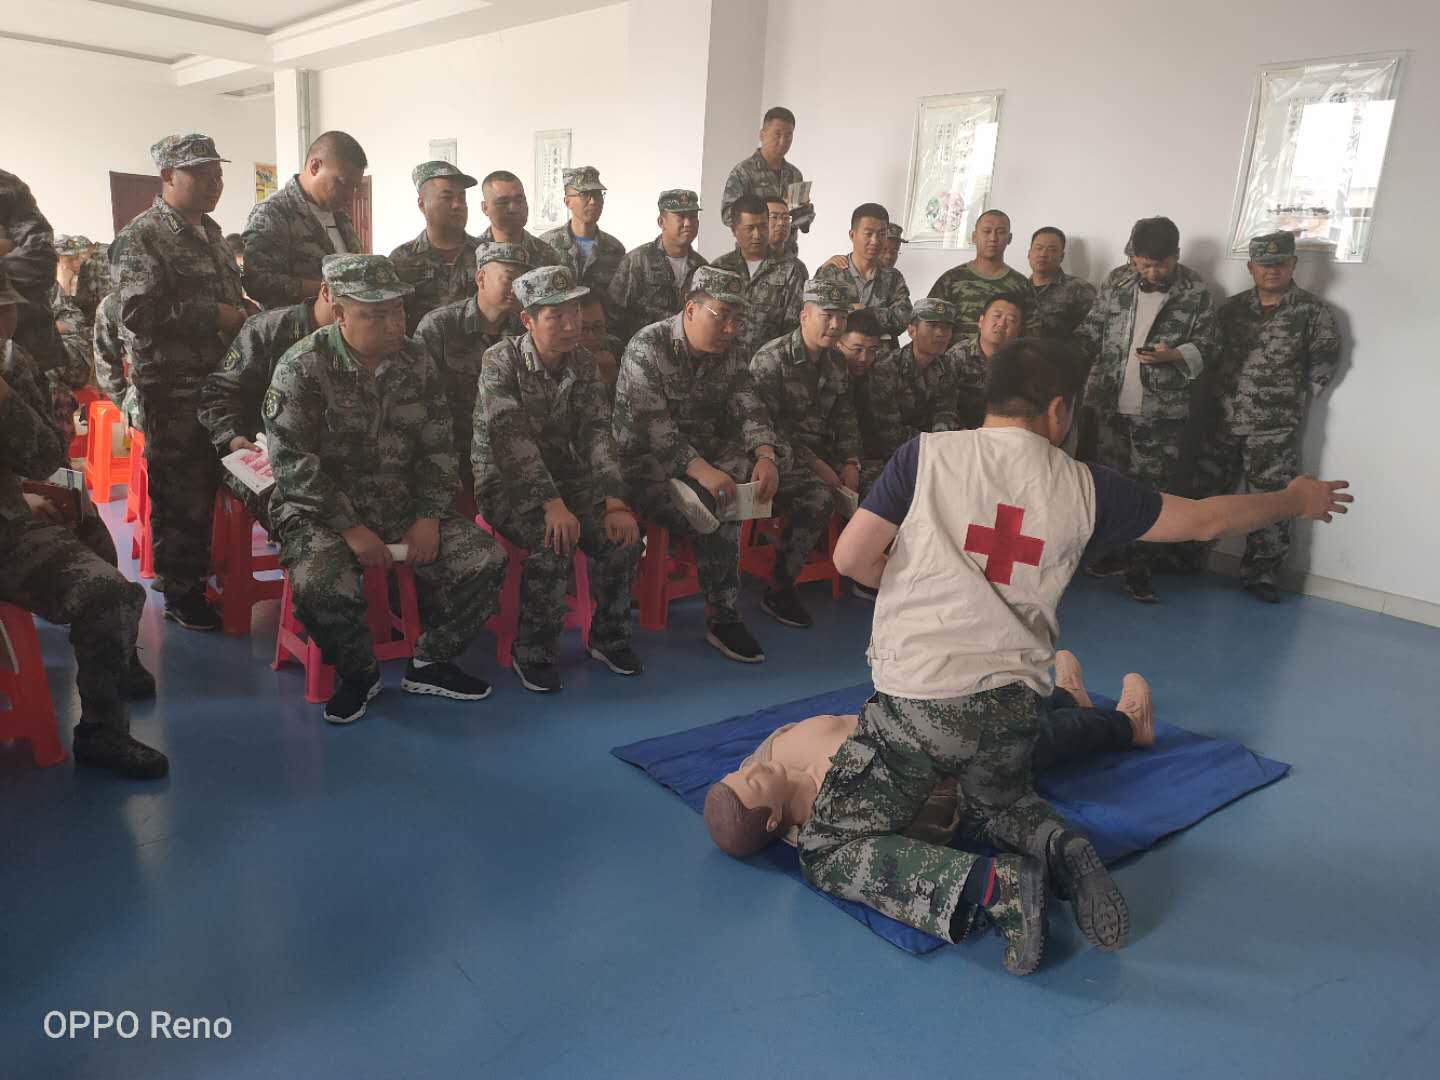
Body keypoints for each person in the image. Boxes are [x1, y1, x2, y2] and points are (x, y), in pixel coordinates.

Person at [799, 337, 1349, 975]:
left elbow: (851, 559)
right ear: (1058, 410)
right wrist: (1294, 499)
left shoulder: (926, 455)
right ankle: (1062, 847)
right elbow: (1203, 520)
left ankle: (994, 889)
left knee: (829, 845)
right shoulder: (1085, 485)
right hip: (1011, 711)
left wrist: (909, 579)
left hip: (918, 704)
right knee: (995, 801)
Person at [264, 254, 508, 725]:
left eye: (396, 310)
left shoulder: (416, 360)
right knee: (320, 584)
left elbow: (439, 446)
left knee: (484, 560)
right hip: (322, 510)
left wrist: (429, 516)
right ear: (339, 314)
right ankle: (358, 673)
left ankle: (432, 660)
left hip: (401, 502)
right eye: (374, 314)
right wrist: (350, 528)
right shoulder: (302, 367)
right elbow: (292, 465)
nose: (392, 323)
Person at [704, 651, 1153, 855]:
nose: (756, 766)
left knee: (1001, 699)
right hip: (962, 766)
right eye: (755, 781)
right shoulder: (842, 812)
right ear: (771, 818)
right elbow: (934, 820)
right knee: (1043, 736)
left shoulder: (770, 757)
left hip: (919, 718)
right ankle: (1129, 726)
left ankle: (1070, 696)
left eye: (742, 770)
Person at [0, 272, 165, 779]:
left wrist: (5, 403)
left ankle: (102, 732)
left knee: (109, 593)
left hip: (7, 534)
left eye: (4, 311)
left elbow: (46, 453)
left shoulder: (12, 363)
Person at [472, 265, 643, 692]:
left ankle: (609, 637)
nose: (571, 326)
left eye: (574, 313)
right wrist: (551, 505)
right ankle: (533, 651)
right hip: (506, 483)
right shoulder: (500, 361)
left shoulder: (582, 362)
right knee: (553, 543)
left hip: (569, 481)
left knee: (623, 540)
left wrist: (614, 502)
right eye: (556, 316)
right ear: (528, 320)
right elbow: (510, 441)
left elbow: (597, 432)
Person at [112, 133, 253, 631]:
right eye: (201, 173)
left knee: (219, 482)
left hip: (219, 382)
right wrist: (213, 314)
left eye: (217, 172)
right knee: (182, 491)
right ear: (168, 177)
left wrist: (239, 312)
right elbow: (137, 312)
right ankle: (180, 590)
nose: (214, 182)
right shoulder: (142, 237)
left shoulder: (211, 233)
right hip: (172, 389)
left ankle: (207, 571)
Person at [612, 266, 781, 662]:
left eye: (738, 320)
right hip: (645, 466)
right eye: (721, 316)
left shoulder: (730, 353)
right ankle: (723, 613)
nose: (730, 329)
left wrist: (765, 453)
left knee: (734, 496)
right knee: (715, 505)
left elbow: (749, 405)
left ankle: (724, 617)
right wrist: (701, 470)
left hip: (702, 463)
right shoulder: (647, 346)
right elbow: (654, 427)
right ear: (691, 310)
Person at [1076, 216, 1217, 603]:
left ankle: (1141, 567)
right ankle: (1112, 555)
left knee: (1152, 491)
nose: (1152, 271)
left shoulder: (1195, 291)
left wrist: (1175, 354)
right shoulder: (1117, 281)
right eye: (1143, 262)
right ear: (1132, 256)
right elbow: (1093, 329)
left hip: (1161, 410)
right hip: (1109, 402)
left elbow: (1209, 345)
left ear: (1176, 256)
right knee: (1110, 484)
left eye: (1161, 263)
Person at [1195, 231, 1342, 603]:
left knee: (1273, 499)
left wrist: (1286, 398)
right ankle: (1185, 555)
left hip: (1273, 428)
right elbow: (1209, 357)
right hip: (1223, 419)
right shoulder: (1230, 309)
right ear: (1251, 267)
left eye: (1279, 263)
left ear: (1293, 264)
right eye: (1264, 264)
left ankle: (1262, 574)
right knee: (1205, 491)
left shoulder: (1312, 312)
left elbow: (1323, 363)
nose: (1271, 271)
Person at [747, 278, 860, 628]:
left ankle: (859, 569)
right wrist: (815, 463)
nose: (836, 325)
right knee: (817, 498)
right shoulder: (771, 360)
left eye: (841, 317)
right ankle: (780, 588)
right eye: (827, 315)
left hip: (821, 454)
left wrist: (850, 460)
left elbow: (845, 416)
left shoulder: (836, 362)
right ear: (803, 316)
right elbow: (764, 425)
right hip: (774, 455)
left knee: (887, 480)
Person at [198, 281, 338, 530]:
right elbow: (219, 393)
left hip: (338, 456)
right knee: (306, 522)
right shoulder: (268, 329)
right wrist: (231, 437)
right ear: (326, 292)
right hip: (262, 449)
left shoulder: (376, 338)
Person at [413, 242, 528, 510]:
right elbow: (419, 402)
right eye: (509, 278)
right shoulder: (439, 326)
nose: (517, 288)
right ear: (480, 278)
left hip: (509, 456)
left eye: (523, 280)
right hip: (453, 453)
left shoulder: (526, 330)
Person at [242, 131, 366, 308]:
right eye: (342, 183)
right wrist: (331, 289)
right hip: (296, 329)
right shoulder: (272, 212)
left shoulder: (341, 216)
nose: (349, 195)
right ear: (315, 166)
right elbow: (258, 283)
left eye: (354, 187)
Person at [861, 298, 963, 464]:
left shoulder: (947, 365)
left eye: (947, 327)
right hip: (885, 456)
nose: (941, 333)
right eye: (932, 326)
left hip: (930, 452)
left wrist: (943, 440)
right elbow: (889, 433)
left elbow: (946, 412)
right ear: (912, 330)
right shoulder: (885, 368)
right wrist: (937, 445)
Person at [389, 161, 481, 333]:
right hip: (421, 356)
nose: (457, 205)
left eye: (462, 198)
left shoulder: (485, 255)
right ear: (422, 204)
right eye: (447, 197)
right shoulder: (401, 260)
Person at [711, 194, 807, 360]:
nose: (757, 235)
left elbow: (794, 330)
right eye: (750, 228)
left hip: (770, 367)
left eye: (763, 227)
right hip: (722, 365)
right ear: (734, 230)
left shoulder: (792, 269)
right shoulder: (719, 268)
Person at [607, 189, 707, 344]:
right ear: (661, 222)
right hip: (642, 355)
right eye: (681, 217)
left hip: (685, 358)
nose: (688, 223)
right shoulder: (637, 261)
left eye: (693, 217)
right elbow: (612, 317)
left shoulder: (702, 268)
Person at [721, 106, 813, 258]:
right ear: (762, 135)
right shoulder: (743, 172)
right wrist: (768, 211)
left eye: (788, 136)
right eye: (777, 135)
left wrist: (803, 210)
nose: (783, 141)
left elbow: (801, 224)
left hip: (786, 256)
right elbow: (728, 215)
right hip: (752, 256)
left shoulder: (794, 174)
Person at [815, 203, 913, 343]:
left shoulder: (893, 277)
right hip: (837, 357)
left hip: (881, 358)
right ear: (852, 235)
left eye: (881, 234)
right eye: (868, 234)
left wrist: (866, 312)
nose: (875, 241)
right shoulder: (832, 272)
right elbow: (816, 318)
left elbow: (903, 318)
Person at [928, 209, 1035, 333]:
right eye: (986, 231)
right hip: (955, 352)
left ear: (1009, 238)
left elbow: (1031, 333)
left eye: (1000, 232)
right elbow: (929, 326)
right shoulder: (951, 279)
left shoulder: (1021, 284)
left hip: (1002, 352)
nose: (993, 238)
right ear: (974, 237)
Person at [539, 167, 627, 294]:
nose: (593, 201)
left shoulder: (615, 248)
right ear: (567, 202)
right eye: (584, 194)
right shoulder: (546, 244)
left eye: (597, 194)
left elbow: (617, 298)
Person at [950, 293, 1026, 429]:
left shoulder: (1021, 365)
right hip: (962, 436)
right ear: (981, 321)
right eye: (997, 316)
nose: (1002, 324)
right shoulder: (958, 355)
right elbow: (944, 407)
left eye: (1011, 320)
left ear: (1018, 332)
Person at [836, 308, 887, 499]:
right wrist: (851, 462)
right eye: (857, 350)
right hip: (830, 455)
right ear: (839, 343)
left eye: (872, 351)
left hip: (861, 456)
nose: (864, 359)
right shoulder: (829, 373)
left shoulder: (878, 374)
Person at [476, 171, 561, 271]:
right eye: (503, 202)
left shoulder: (547, 254)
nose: (514, 209)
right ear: (485, 208)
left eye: (519, 200)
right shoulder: (473, 252)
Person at [1027, 227, 1096, 339]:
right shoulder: (1018, 286)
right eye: (1038, 248)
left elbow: (1091, 335)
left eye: (1052, 249)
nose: (1043, 254)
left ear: (1061, 256)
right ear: (1029, 253)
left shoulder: (1080, 290)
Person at [578, 293, 623, 401]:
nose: (591, 336)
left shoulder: (615, 347)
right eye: (583, 328)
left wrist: (612, 379)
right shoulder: (562, 356)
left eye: (598, 327)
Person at [765, 197, 807, 279]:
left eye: (786, 218)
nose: (781, 223)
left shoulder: (798, 268)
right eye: (774, 217)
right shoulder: (745, 262)